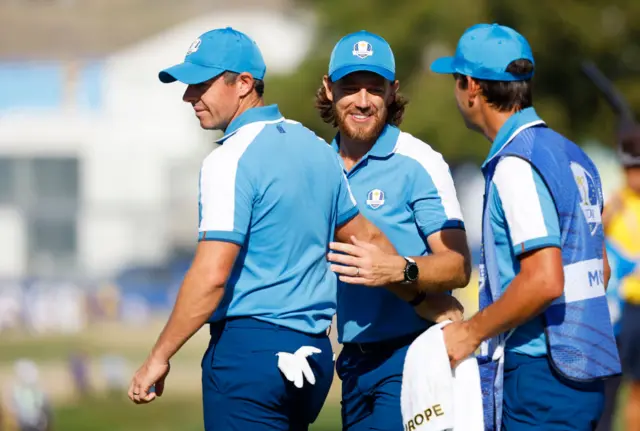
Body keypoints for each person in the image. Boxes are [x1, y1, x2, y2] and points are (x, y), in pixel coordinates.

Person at [126, 26, 418, 431]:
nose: (189, 96)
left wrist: (159, 356)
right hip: (313, 358)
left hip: (251, 355)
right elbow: (370, 241)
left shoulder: (228, 160)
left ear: (244, 84)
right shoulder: (317, 148)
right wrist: (432, 304)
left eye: (201, 84)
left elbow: (211, 277)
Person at [430, 23, 621, 430]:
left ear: (473, 88)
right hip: (582, 371)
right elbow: (598, 268)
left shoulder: (517, 165)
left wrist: (471, 333)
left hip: (540, 376)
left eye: (455, 81)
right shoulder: (571, 153)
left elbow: (545, 280)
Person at [320, 30, 472, 430]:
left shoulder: (420, 161)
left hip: (413, 352)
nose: (363, 101)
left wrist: (399, 269)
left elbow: (457, 266)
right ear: (329, 88)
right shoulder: (316, 164)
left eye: (375, 88)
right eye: (351, 88)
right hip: (350, 360)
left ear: (393, 92)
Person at [599, 127, 640, 431]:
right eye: (630, 169)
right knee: (609, 388)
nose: (634, 177)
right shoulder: (614, 203)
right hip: (618, 313)